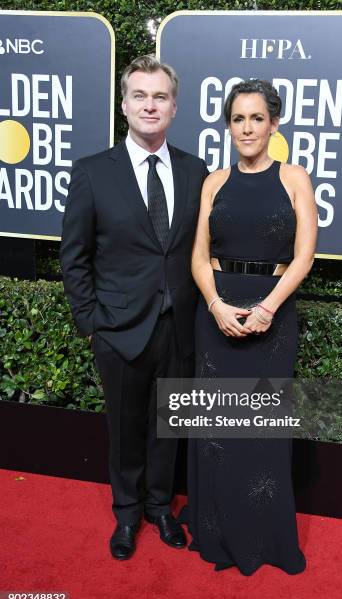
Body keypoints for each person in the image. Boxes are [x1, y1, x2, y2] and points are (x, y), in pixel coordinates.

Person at [60, 55, 208, 561]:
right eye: (140, 96)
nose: (150, 105)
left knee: (169, 424)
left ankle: (160, 507)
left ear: (174, 106)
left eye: (160, 96)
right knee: (125, 429)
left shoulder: (196, 171)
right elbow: (74, 257)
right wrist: (90, 325)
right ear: (124, 105)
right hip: (118, 329)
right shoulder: (92, 173)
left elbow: (199, 250)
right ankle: (126, 516)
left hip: (181, 327)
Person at [180, 79, 317, 575]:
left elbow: (304, 257)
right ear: (228, 125)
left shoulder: (295, 178)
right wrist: (215, 303)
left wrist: (267, 308)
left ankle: (265, 538)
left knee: (260, 430)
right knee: (217, 428)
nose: (247, 127)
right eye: (238, 118)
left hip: (273, 318)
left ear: (273, 123)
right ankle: (216, 531)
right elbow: (198, 256)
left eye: (256, 118)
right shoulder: (213, 182)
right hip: (214, 315)